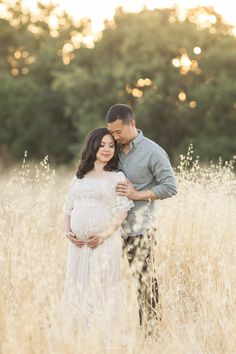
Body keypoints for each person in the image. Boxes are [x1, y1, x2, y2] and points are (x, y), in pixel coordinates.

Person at [60, 128, 135, 351]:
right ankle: (77, 340)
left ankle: (103, 341)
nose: (107, 149)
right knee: (77, 288)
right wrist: (67, 231)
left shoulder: (117, 177)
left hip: (104, 244)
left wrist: (102, 236)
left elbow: (122, 212)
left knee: (102, 288)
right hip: (78, 246)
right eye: (102, 145)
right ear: (92, 146)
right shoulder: (79, 177)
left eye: (111, 145)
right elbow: (66, 209)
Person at [106, 104, 177, 324]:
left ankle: (151, 334)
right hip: (110, 230)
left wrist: (136, 194)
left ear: (132, 124)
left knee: (144, 285)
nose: (115, 137)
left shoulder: (153, 152)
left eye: (119, 131)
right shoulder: (111, 148)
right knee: (106, 281)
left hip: (139, 230)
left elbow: (170, 187)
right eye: (112, 132)